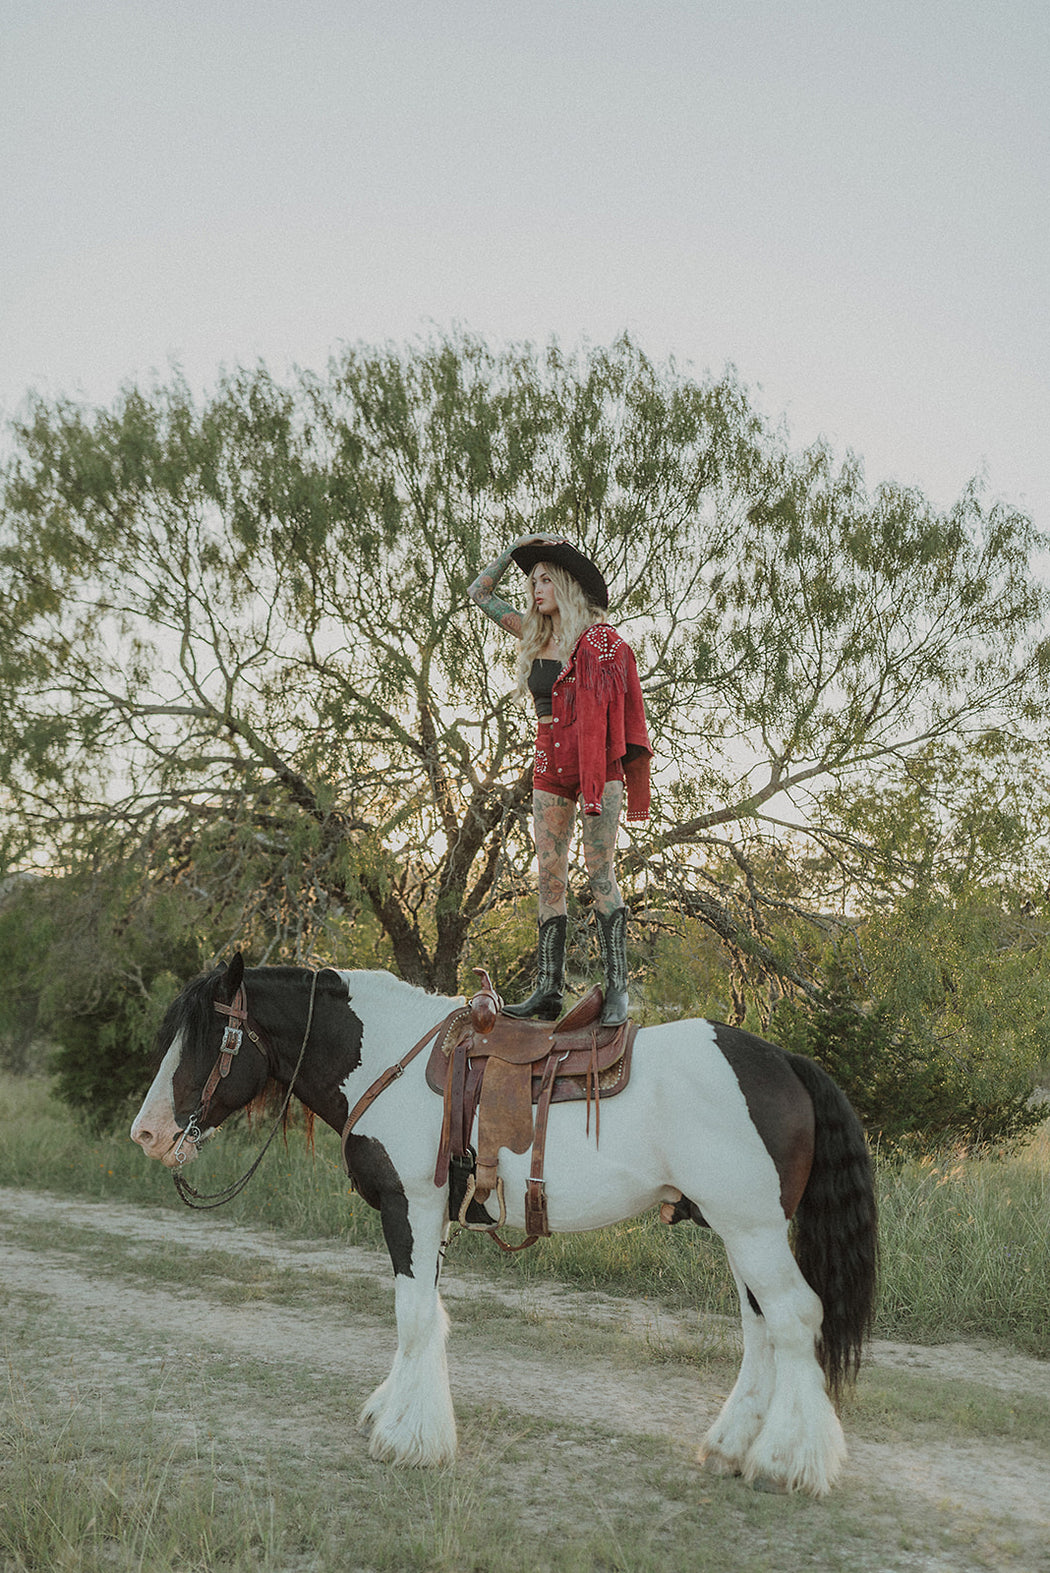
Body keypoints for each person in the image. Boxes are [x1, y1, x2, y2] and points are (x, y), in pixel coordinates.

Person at [467, 534, 652, 1026]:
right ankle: (548, 990)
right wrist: (516, 550)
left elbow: (622, 710)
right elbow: (479, 592)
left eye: (546, 578)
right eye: (531, 581)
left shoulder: (599, 642)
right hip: (549, 764)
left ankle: (618, 989)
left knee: (599, 871)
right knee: (550, 877)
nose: (535, 589)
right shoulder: (531, 631)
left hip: (597, 768)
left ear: (567, 585)